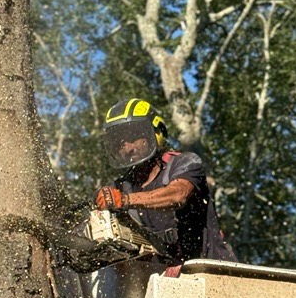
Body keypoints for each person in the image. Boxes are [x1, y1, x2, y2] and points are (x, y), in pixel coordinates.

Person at [93, 97, 237, 265]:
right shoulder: (120, 187)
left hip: (211, 270)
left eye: (132, 137)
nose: (127, 147)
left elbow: (177, 194)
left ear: (154, 133)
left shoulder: (185, 163)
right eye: (119, 142)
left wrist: (124, 200)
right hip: (165, 280)